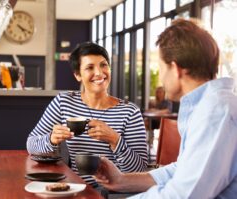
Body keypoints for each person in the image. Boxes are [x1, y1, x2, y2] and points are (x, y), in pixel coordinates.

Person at [94, 18, 237, 198]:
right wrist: (122, 180)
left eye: (161, 68)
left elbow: (184, 195)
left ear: (175, 69)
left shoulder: (216, 113)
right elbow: (184, 171)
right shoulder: (210, 106)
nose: (161, 77)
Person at [27, 42, 148, 187]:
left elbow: (140, 169)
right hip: (72, 188)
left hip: (112, 192)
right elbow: (31, 144)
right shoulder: (63, 102)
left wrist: (115, 140)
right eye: (90, 67)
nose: (99, 73)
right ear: (78, 75)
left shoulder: (130, 112)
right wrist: (51, 139)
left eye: (103, 65)